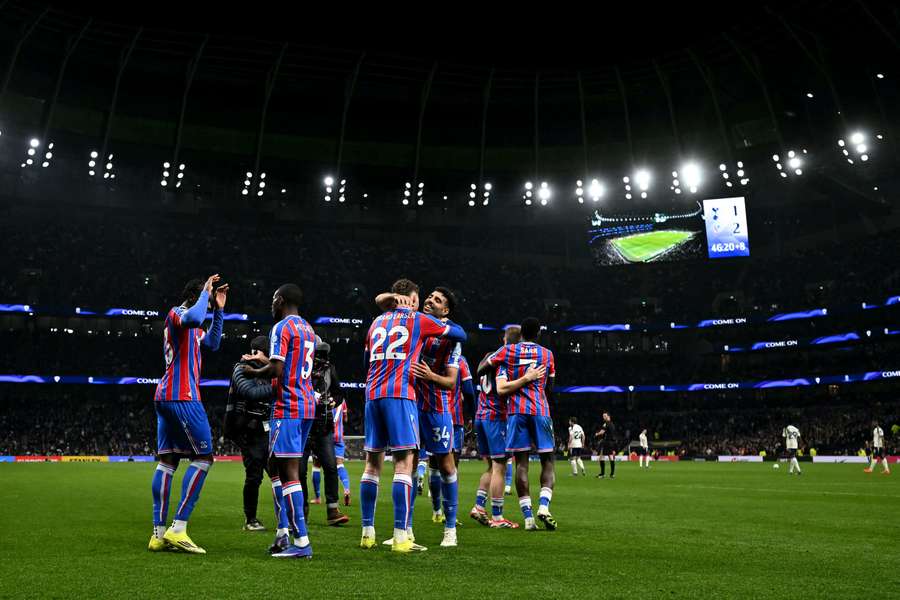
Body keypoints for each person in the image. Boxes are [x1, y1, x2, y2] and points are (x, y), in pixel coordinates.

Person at [359, 279, 466, 553]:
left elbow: (452, 382)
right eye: (429, 296)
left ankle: (450, 528)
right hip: (408, 403)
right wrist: (389, 298)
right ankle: (404, 530)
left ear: (446, 312)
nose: (431, 300)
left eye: (438, 300)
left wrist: (431, 376)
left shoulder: (449, 338)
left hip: (437, 407)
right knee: (408, 462)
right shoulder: (414, 322)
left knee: (445, 465)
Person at [149, 274, 226, 554]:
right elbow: (194, 317)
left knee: (167, 461)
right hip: (182, 396)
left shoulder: (193, 326)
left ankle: (158, 534)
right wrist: (206, 293)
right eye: (205, 298)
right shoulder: (179, 313)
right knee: (204, 458)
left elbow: (214, 343)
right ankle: (178, 528)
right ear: (196, 296)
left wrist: (219, 311)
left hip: (166, 397)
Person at [242, 283, 318, 559]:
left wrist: (252, 371)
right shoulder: (309, 328)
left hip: (288, 406)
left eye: (273, 299)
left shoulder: (281, 328)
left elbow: (276, 368)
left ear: (281, 300)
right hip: (307, 403)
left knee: (288, 472)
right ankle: (283, 531)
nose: (271, 304)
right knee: (275, 465)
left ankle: (301, 542)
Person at [481, 317, 555, 531]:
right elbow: (550, 387)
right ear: (539, 334)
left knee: (521, 464)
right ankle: (544, 506)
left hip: (515, 412)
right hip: (540, 410)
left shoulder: (508, 352)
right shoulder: (547, 354)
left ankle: (528, 518)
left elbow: (483, 368)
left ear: (521, 333)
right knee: (548, 462)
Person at [470, 326, 521, 529]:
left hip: (480, 416)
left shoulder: (488, 357)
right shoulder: (506, 361)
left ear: (504, 339)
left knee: (491, 467)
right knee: (500, 466)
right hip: (496, 418)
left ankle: (479, 507)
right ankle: (498, 518)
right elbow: (503, 389)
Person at [224, 335, 275, 531]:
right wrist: (278, 387)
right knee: (254, 475)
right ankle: (250, 519)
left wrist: (268, 364)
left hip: (265, 428)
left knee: (276, 473)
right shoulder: (240, 368)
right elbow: (251, 393)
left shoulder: (268, 370)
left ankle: (287, 517)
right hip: (246, 430)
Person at [300, 337, 349, 526]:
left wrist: (332, 401)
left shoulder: (330, 369)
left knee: (330, 467)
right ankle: (302, 511)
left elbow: (338, 393)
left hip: (323, 425)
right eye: (319, 354)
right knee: (301, 469)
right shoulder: (300, 368)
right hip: (304, 424)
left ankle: (332, 510)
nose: (322, 358)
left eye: (323, 355)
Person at [333, 399, 352, 505]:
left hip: (326, 435)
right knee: (339, 465)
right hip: (338, 436)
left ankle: (318, 497)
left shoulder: (322, 397)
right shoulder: (343, 401)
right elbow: (345, 419)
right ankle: (346, 489)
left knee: (317, 465)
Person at [595, 412, 617, 479]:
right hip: (612, 442)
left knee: (601, 457)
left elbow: (602, 432)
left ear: (608, 416)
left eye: (604, 416)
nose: (603, 417)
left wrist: (597, 434)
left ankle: (602, 474)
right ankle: (612, 474)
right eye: (603, 416)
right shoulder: (612, 424)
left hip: (607, 442)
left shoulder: (606, 423)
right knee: (611, 457)